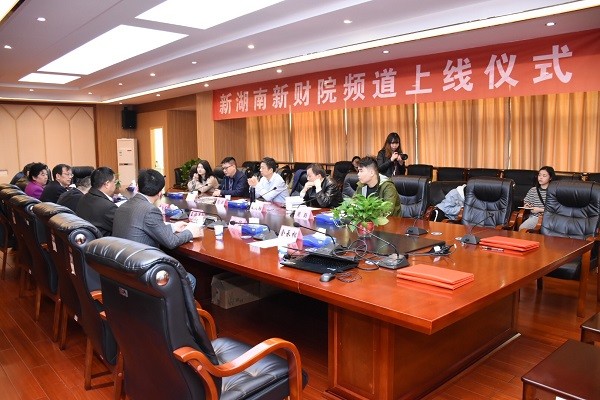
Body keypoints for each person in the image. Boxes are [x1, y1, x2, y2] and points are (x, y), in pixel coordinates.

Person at [113, 169, 201, 289]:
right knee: (190, 280)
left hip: (122, 268)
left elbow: (143, 227)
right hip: (142, 271)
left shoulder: (123, 206)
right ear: (160, 192)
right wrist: (190, 232)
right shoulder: (150, 210)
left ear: (138, 187)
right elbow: (171, 242)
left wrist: (172, 227)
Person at [76, 167, 118, 236]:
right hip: (104, 241)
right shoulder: (108, 207)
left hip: (87, 238)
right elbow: (124, 228)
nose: (115, 185)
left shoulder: (84, 198)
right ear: (107, 184)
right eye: (114, 182)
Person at [519, 166, 556, 231]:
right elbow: (526, 202)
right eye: (539, 175)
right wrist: (527, 205)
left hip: (549, 218)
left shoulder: (554, 191)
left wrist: (540, 210)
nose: (541, 177)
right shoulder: (533, 190)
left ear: (550, 178)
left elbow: (555, 209)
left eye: (544, 176)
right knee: (522, 229)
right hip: (535, 217)